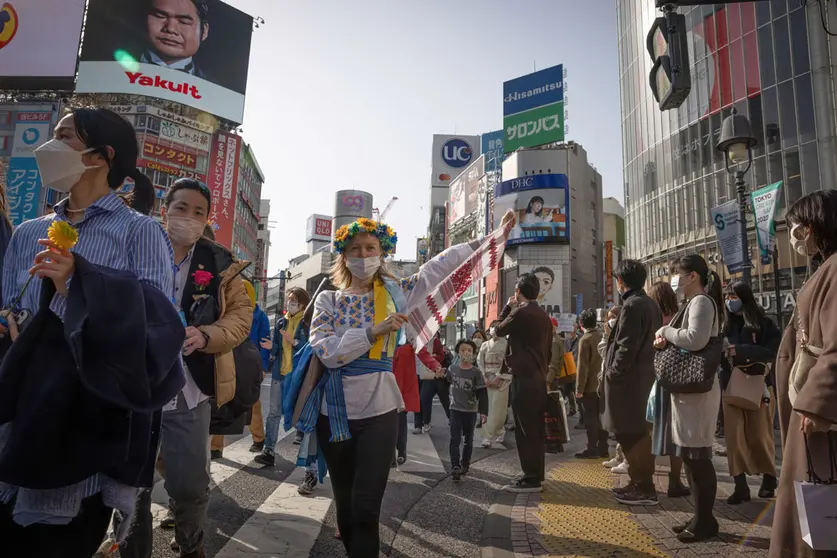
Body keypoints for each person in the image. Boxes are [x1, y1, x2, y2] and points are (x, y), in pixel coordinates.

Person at [0, 107, 181, 557]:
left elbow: (156, 329)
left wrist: (74, 284)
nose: (48, 146)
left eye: (63, 137)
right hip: (23, 408)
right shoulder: (28, 231)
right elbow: (7, 306)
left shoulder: (139, 232)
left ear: (100, 157)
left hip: (90, 418)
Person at [297, 212, 514, 557]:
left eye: (371, 249)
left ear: (382, 254)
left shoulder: (398, 293)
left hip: (381, 412)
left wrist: (490, 236)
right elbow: (325, 350)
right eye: (356, 249)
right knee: (347, 509)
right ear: (343, 256)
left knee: (367, 510)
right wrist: (373, 331)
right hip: (333, 414)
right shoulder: (329, 301)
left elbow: (440, 266)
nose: (365, 256)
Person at [120, 178, 251, 558]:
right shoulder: (137, 246)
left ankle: (192, 546)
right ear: (165, 210)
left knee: (191, 485)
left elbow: (241, 317)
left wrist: (207, 335)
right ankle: (130, 548)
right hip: (136, 387)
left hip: (189, 392)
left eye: (199, 212)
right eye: (181, 208)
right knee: (130, 483)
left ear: (208, 218)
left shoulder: (220, 262)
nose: (189, 218)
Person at [770, 190, 837, 558]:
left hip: (817, 415)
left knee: (816, 499)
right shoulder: (828, 268)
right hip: (811, 407)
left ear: (814, 226)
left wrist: (818, 403)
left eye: (798, 226)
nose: (795, 234)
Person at [653, 255, 723, 542]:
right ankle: (700, 516)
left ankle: (706, 521)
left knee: (699, 457)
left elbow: (696, 339)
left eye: (677, 274)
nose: (674, 280)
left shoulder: (702, 303)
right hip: (689, 391)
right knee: (691, 456)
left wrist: (666, 331)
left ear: (692, 276)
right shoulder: (692, 304)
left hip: (698, 392)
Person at [602, 259, 662, 507]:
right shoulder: (649, 304)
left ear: (620, 281)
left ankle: (644, 487)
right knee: (634, 433)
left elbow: (626, 346)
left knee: (631, 434)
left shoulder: (632, 306)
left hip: (630, 384)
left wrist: (614, 372)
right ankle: (638, 482)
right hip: (642, 379)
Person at [721, 280, 780, 505]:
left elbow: (773, 350)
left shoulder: (764, 323)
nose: (729, 301)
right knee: (734, 438)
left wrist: (743, 351)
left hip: (759, 384)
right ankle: (740, 485)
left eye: (733, 296)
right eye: (727, 296)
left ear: (744, 298)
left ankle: (769, 479)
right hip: (731, 385)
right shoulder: (725, 325)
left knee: (760, 434)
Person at [496, 273, 553, 493]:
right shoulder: (543, 315)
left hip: (525, 379)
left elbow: (497, 330)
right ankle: (536, 474)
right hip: (538, 378)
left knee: (525, 430)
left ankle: (530, 479)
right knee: (535, 429)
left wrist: (507, 308)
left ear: (518, 291)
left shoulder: (521, 312)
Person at [208, 279, 270, 455]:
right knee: (220, 401)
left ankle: (259, 438)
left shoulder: (259, 316)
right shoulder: (224, 313)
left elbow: (265, 343)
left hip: (250, 365)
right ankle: (215, 446)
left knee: (252, 403)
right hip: (227, 360)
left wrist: (263, 367)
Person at [256, 287, 311, 466]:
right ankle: (269, 450)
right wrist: (271, 346)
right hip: (280, 373)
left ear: (302, 304)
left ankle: (306, 458)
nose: (290, 303)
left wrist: (293, 341)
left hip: (297, 375)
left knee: (301, 414)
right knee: (274, 413)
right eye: (289, 300)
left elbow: (310, 347)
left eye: (294, 301)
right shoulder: (281, 323)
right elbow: (277, 349)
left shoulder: (307, 323)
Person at [647, 282, 691, 498]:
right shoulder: (678, 318)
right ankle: (675, 481)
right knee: (675, 434)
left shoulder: (650, 319)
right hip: (674, 381)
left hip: (651, 381)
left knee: (649, 430)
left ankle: (645, 481)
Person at [447, 339, 488, 482]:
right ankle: (455, 466)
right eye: (463, 350)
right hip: (455, 409)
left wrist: (484, 412)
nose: (466, 352)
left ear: (473, 353)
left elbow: (483, 393)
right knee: (454, 439)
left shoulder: (476, 373)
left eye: (469, 350)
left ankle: (465, 464)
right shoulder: (452, 369)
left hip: (470, 411)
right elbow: (444, 381)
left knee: (468, 440)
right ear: (458, 352)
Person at [142, 0, 208, 78]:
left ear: (204, 31)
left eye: (184, 22)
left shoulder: (213, 87)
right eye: (160, 16)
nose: (170, 28)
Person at [574, 309, 607, 459]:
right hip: (603, 385)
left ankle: (592, 448)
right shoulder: (602, 336)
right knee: (602, 418)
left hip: (589, 387)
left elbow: (582, 367)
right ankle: (604, 448)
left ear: (581, 324)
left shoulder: (585, 340)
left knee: (590, 419)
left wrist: (579, 389)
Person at [599, 306, 628, 473]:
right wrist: (607, 335)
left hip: (620, 383)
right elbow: (602, 351)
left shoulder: (624, 336)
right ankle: (619, 456)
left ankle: (626, 459)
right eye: (610, 317)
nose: (611, 320)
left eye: (615, 317)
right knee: (616, 425)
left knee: (623, 424)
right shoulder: (608, 336)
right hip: (607, 380)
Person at [478, 321, 510, 448]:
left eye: (497, 327)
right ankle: (487, 436)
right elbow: (480, 361)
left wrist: (500, 377)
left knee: (499, 408)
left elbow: (509, 363)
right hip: (487, 377)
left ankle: (500, 430)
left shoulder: (507, 344)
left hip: (501, 378)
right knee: (487, 408)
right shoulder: (485, 345)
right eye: (492, 326)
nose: (494, 329)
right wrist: (484, 376)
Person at [419, 331, 450, 433]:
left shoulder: (435, 341)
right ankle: (426, 422)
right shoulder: (420, 341)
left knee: (445, 400)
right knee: (424, 399)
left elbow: (441, 356)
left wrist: (431, 359)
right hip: (428, 377)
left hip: (439, 376)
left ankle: (452, 419)